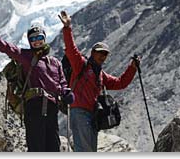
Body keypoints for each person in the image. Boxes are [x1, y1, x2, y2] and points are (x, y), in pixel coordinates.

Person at [0, 19, 74, 152]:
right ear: (29, 41)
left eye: (39, 37)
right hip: (34, 107)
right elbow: (4, 47)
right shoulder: (25, 56)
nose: (37, 41)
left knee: (53, 147)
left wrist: (67, 92)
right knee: (36, 147)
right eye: (33, 39)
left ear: (44, 38)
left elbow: (62, 83)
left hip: (51, 108)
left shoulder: (55, 63)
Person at [58, 11, 140, 152]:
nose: (103, 56)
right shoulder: (80, 64)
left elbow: (120, 83)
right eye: (100, 52)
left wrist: (132, 68)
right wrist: (67, 28)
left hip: (92, 114)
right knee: (84, 150)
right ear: (92, 53)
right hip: (79, 111)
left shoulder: (101, 74)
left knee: (90, 150)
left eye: (105, 54)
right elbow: (71, 49)